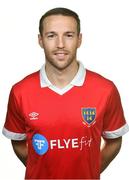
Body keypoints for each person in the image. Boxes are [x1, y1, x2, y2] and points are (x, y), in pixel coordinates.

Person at [2, 7, 129, 179]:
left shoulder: (105, 89)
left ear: (79, 39)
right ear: (40, 40)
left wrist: (89, 171)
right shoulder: (20, 91)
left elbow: (114, 141)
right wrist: (41, 168)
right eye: (51, 35)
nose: (60, 44)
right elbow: (17, 141)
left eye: (68, 35)